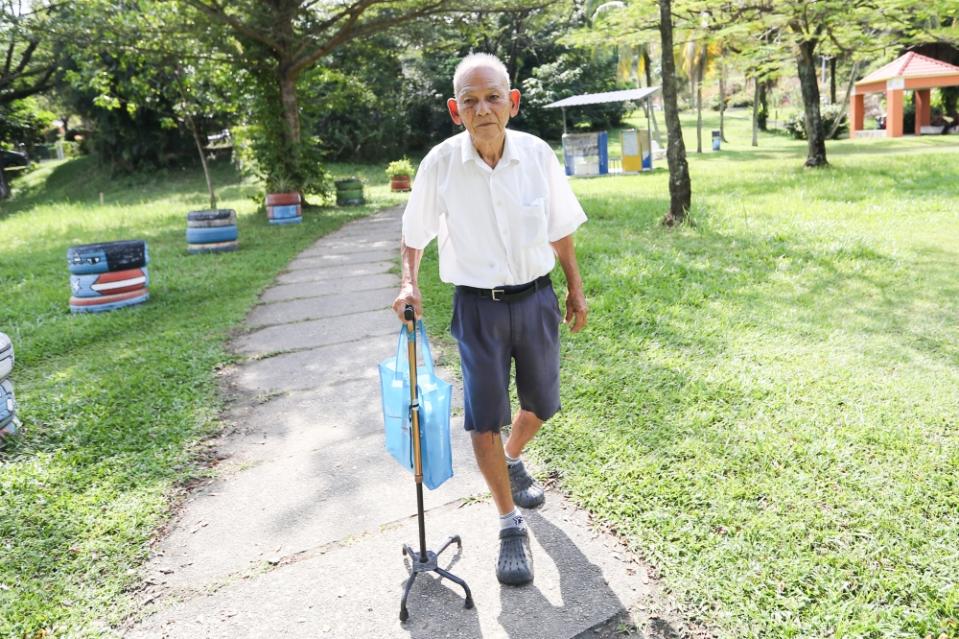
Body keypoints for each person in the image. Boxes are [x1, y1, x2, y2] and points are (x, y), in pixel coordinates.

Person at [391, 53, 588, 586]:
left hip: (536, 298)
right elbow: (413, 233)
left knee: (543, 402)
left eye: (493, 98)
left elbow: (560, 226)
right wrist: (408, 283)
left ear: (512, 102)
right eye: (471, 101)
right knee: (482, 419)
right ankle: (508, 524)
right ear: (456, 110)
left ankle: (511, 458)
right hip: (477, 306)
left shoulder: (537, 155)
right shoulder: (441, 163)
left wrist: (575, 287)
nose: (483, 109)